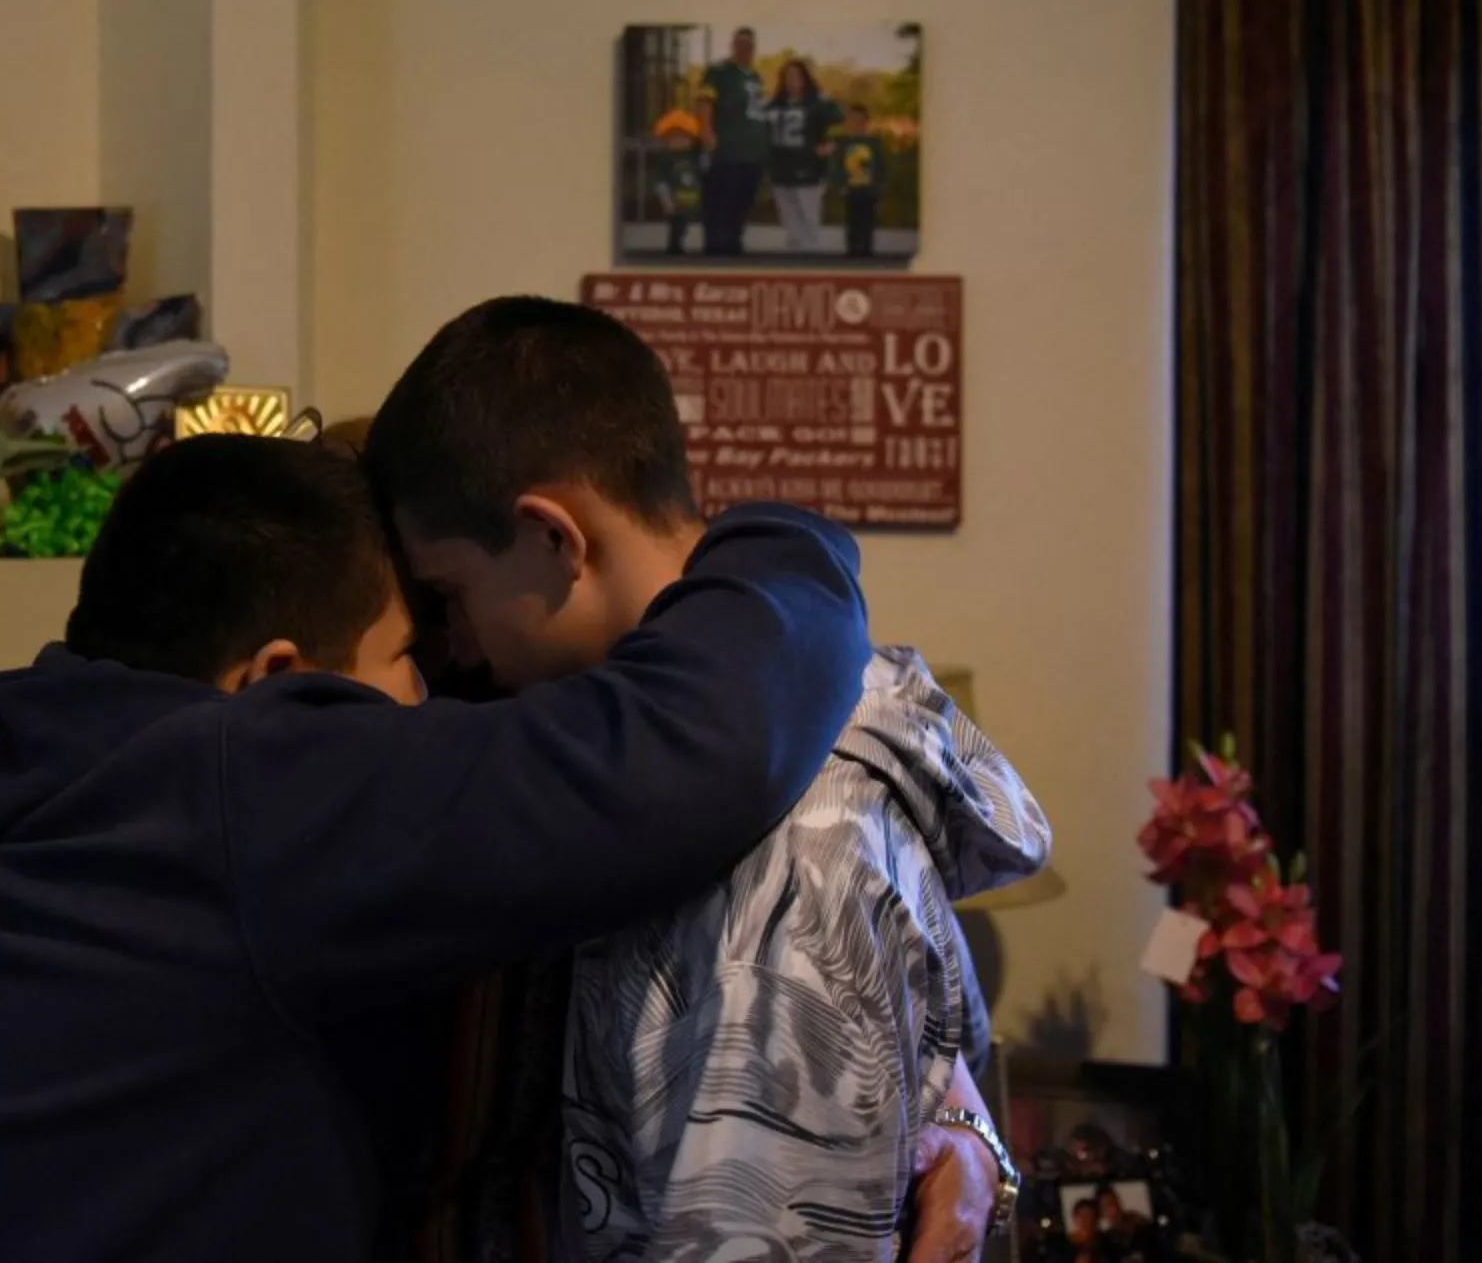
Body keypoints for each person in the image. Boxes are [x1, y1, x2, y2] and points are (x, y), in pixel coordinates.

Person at [0, 422, 1001, 1263]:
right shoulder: (252, 790)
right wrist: (789, 537)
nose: (443, 688)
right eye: (415, 651)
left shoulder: (74, 757)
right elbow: (693, 747)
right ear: (276, 682)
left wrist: (945, 1116)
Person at [362, 297, 1044, 1261]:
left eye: (450, 596)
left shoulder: (774, 851)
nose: (458, 646)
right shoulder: (803, 714)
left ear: (554, 538)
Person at [697, 27, 768, 256]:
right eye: (741, 44)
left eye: (750, 45)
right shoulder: (719, 72)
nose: (745, 49)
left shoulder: (755, 76)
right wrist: (707, 132)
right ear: (733, 45)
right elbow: (704, 101)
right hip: (727, 150)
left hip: (752, 153)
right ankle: (716, 248)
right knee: (720, 201)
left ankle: (734, 244)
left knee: (743, 201)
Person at [764, 57, 841, 252]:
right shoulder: (774, 104)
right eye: (788, 76)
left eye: (797, 75)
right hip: (781, 169)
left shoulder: (818, 103)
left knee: (809, 220)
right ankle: (794, 258)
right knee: (790, 221)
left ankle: (810, 260)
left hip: (809, 168)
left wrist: (831, 145)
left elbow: (840, 124)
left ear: (805, 77)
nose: (793, 79)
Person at [832, 101, 891, 259]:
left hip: (868, 187)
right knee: (852, 219)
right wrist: (839, 183)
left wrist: (879, 185)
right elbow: (837, 164)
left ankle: (866, 248)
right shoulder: (843, 143)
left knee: (868, 219)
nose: (855, 124)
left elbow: (880, 165)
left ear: (866, 122)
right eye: (852, 121)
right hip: (850, 187)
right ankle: (853, 248)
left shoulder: (873, 143)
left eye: (859, 121)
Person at [649, 108, 707, 257]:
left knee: (696, 224)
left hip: (694, 198)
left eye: (684, 138)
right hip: (675, 199)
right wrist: (666, 200)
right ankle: (675, 247)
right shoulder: (666, 158)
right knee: (677, 224)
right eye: (673, 138)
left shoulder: (694, 155)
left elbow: (703, 170)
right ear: (665, 140)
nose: (679, 142)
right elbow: (660, 180)